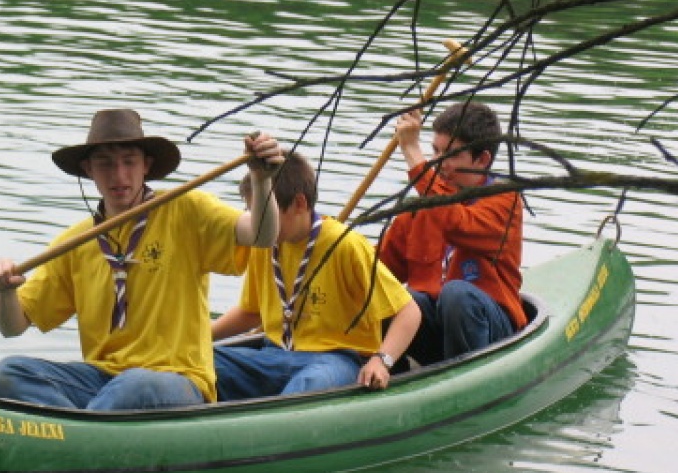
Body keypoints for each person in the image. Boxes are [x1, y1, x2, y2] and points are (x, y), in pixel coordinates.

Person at [0, 108, 283, 410]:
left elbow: (261, 235)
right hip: (102, 379)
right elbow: (13, 326)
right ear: (88, 169)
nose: (119, 176)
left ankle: (80, 434)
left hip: (175, 380)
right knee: (10, 373)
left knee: (136, 383)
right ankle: (88, 430)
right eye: (105, 165)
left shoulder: (185, 209)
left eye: (129, 162)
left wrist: (261, 181)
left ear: (146, 166)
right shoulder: (74, 243)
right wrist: (5, 291)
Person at [211, 152, 421, 399]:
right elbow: (251, 312)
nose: (258, 222)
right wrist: (198, 337)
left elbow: (409, 312)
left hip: (334, 358)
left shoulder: (345, 245)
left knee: (311, 381)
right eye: (253, 212)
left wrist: (381, 360)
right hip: (274, 354)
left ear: (299, 203)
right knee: (201, 361)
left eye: (266, 212)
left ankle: (277, 424)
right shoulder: (263, 242)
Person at [378, 99, 527, 366]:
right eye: (434, 151)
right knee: (393, 300)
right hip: (439, 328)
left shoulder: (505, 200)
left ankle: (466, 380)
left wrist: (412, 150)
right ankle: (386, 378)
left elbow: (455, 221)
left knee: (457, 293)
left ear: (482, 160)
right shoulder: (420, 208)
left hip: (490, 331)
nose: (438, 162)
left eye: (450, 155)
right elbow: (379, 272)